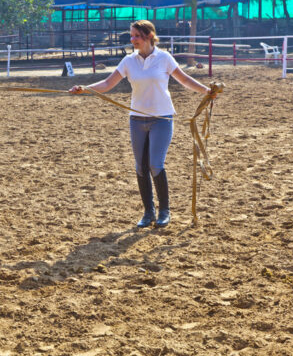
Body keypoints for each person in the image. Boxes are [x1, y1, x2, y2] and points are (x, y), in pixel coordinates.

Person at [69, 20, 218, 228]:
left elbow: (184, 80)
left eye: (136, 36)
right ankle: (148, 212)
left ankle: (165, 210)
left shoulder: (164, 58)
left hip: (162, 118)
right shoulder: (129, 61)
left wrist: (206, 91)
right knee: (140, 167)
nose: (132, 40)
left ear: (149, 36)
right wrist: (85, 88)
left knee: (155, 164)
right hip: (137, 119)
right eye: (131, 36)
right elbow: (107, 83)